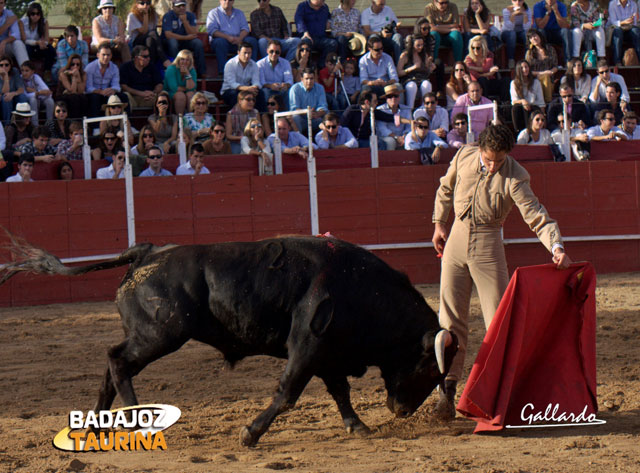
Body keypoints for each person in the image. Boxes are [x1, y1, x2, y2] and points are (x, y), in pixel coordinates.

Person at [431, 124, 572, 419]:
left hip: (488, 245)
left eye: (499, 160)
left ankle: (496, 393)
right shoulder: (464, 156)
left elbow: (536, 215)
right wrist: (439, 223)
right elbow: (445, 187)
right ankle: (446, 389)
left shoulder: (515, 175)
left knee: (498, 322)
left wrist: (555, 246)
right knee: (449, 320)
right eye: (489, 159)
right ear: (480, 148)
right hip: (456, 240)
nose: (493, 165)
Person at [206, 0, 258, 75]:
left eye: (230, 0)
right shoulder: (213, 13)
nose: (227, 1)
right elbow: (212, 31)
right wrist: (228, 37)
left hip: (238, 40)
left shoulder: (239, 13)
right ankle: (223, 72)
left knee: (251, 41)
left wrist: (240, 38)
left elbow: (245, 28)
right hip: (223, 40)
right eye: (225, 0)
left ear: (233, 1)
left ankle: (252, 71)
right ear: (220, 0)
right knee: (220, 42)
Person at [85, 44, 129, 119]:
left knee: (124, 97)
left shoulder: (114, 68)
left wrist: (112, 90)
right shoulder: (90, 67)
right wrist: (100, 92)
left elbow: (117, 86)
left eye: (108, 55)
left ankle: (127, 123)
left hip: (108, 93)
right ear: (98, 55)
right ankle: (95, 127)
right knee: (95, 98)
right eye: (103, 55)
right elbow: (88, 88)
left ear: (111, 56)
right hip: (95, 93)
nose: (106, 57)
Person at [163, 0, 206, 77]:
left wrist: (185, 21)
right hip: (172, 42)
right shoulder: (168, 16)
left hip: (186, 41)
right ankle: (176, 69)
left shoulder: (190, 15)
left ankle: (201, 72)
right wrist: (185, 37)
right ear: (173, 7)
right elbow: (168, 35)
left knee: (198, 43)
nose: (181, 8)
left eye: (183, 6)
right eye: (178, 6)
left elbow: (193, 33)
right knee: (173, 43)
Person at [294, 0, 338, 69]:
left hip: (321, 37)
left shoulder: (325, 7)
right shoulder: (302, 6)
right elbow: (298, 20)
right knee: (305, 44)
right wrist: (304, 31)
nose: (323, 2)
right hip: (308, 37)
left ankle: (321, 66)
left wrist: (329, 21)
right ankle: (307, 67)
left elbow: (330, 16)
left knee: (333, 43)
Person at [464, 35, 508, 101]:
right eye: (473, 48)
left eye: (478, 48)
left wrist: (472, 67)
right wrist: (489, 73)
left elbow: (486, 67)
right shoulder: (468, 59)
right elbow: (476, 76)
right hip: (477, 84)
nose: (475, 50)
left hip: (490, 81)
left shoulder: (489, 54)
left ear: (483, 48)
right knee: (482, 79)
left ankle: (505, 105)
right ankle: (485, 103)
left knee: (506, 80)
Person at [127, 0, 169, 68]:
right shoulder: (132, 16)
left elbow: (154, 30)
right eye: (142, 3)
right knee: (152, 34)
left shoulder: (153, 14)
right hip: (136, 41)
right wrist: (145, 15)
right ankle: (164, 59)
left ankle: (151, 65)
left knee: (150, 39)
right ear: (137, 4)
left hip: (150, 39)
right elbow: (144, 31)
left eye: (148, 3)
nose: (145, 5)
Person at [397, 34, 435, 108]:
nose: (420, 47)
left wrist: (430, 68)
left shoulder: (424, 55)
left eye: (422, 45)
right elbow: (398, 73)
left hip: (421, 78)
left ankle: (424, 108)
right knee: (412, 86)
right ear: (412, 45)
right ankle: (410, 108)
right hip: (408, 79)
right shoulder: (405, 55)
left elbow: (426, 71)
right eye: (418, 45)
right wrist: (412, 68)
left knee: (427, 84)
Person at [120, 45, 163, 110]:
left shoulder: (152, 67)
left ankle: (161, 119)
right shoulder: (126, 67)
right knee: (125, 95)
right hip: (132, 98)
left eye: (149, 56)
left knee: (163, 96)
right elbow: (123, 86)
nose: (148, 58)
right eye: (145, 56)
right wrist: (141, 93)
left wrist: (153, 93)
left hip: (149, 98)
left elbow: (159, 84)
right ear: (136, 58)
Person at [19, 2, 55, 76]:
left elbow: (47, 39)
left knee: (50, 49)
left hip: (39, 46)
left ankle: (47, 71)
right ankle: (28, 71)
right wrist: (37, 42)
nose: (35, 16)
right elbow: (24, 39)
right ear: (29, 14)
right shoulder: (22, 22)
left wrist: (43, 44)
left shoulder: (44, 22)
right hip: (27, 45)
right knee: (27, 49)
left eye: (38, 14)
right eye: (33, 14)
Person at [257, 39, 293, 112]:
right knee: (265, 92)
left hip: (280, 89)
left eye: (277, 52)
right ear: (267, 51)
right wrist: (271, 86)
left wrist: (286, 85)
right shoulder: (260, 64)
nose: (274, 54)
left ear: (280, 53)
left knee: (289, 91)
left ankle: (286, 115)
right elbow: (261, 83)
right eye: (271, 51)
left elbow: (289, 80)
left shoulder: (286, 63)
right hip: (268, 89)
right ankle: (267, 115)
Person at [289, 68, 328, 134]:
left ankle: (326, 141)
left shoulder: (320, 88)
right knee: (295, 117)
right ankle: (299, 139)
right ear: (302, 79)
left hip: (315, 118)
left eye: (311, 78)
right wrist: (307, 112)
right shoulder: (295, 88)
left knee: (327, 116)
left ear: (314, 78)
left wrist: (318, 113)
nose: (309, 81)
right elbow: (294, 109)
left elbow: (323, 106)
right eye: (307, 79)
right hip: (301, 119)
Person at [220, 41, 260, 107]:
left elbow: (256, 81)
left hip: (247, 90)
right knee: (235, 95)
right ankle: (235, 116)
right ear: (238, 52)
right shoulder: (230, 64)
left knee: (259, 93)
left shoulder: (254, 65)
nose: (247, 56)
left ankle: (261, 116)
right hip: (229, 91)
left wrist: (254, 87)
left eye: (249, 53)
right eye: (245, 53)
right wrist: (247, 88)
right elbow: (232, 84)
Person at [525, 29, 558, 103]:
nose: (533, 39)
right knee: (542, 78)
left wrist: (551, 72)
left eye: (534, 36)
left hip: (549, 78)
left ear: (539, 36)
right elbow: (528, 70)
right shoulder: (529, 53)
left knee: (546, 78)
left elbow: (555, 66)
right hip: (535, 78)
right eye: (531, 38)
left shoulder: (550, 49)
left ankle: (547, 102)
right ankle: (547, 102)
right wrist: (542, 73)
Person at [510, 59, 545, 131]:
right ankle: (518, 131)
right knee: (516, 108)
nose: (525, 69)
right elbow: (514, 100)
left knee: (528, 109)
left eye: (526, 67)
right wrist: (523, 101)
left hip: (534, 107)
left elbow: (541, 101)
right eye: (522, 68)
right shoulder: (514, 83)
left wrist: (543, 114)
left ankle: (530, 131)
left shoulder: (536, 82)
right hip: (521, 107)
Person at [375, 83, 411, 150]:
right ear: (386, 98)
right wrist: (396, 137)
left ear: (399, 97)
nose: (393, 98)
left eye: (395, 96)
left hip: (402, 136)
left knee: (410, 139)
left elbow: (409, 126)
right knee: (391, 142)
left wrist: (404, 136)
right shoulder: (380, 109)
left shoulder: (406, 109)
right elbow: (382, 129)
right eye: (390, 96)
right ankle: (389, 160)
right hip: (386, 136)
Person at [163, 49, 197, 115]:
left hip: (185, 93)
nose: (185, 62)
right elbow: (174, 88)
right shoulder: (171, 69)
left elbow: (193, 88)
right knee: (180, 95)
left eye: (187, 60)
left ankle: (190, 119)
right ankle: (180, 120)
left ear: (190, 61)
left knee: (190, 94)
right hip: (170, 93)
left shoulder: (192, 70)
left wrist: (187, 74)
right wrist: (187, 89)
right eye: (182, 59)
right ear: (178, 60)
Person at [20, 60, 53, 126]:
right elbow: (25, 95)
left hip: (39, 99)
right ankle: (35, 126)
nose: (24, 73)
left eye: (27, 71)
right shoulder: (20, 78)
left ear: (32, 71)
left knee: (50, 101)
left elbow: (48, 92)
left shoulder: (36, 77)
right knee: (33, 100)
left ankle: (50, 124)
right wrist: (38, 93)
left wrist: (36, 92)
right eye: (22, 70)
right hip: (27, 101)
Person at [56, 54, 88, 119]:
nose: (75, 66)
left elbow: (81, 91)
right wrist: (74, 76)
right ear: (69, 65)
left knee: (83, 98)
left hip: (76, 95)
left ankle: (83, 121)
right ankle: (74, 121)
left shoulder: (83, 74)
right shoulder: (63, 73)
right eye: (72, 64)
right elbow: (72, 90)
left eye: (77, 64)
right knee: (74, 98)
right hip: (63, 95)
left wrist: (78, 76)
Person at [501, 0, 533, 69]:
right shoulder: (506, 11)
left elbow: (527, 28)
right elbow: (509, 28)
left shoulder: (527, 10)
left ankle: (528, 59)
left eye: (520, 0)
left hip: (521, 32)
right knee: (512, 34)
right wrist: (513, 15)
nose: (518, 2)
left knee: (526, 34)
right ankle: (511, 59)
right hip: (507, 33)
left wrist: (524, 15)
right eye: (515, 0)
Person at [608, 0, 640, 66]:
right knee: (618, 31)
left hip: (629, 28)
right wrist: (624, 22)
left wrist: (633, 19)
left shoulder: (633, 4)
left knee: (636, 31)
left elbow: (635, 22)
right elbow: (613, 21)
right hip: (617, 28)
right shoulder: (613, 4)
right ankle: (617, 61)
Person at [0, 0, 28, 67]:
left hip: (3, 47)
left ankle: (27, 72)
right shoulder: (10, 19)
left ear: (4, 4)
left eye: (1, 3)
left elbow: (16, 34)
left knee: (18, 43)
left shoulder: (9, 14)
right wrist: (6, 24)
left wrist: (4, 41)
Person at [0, 56, 27, 122]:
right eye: (1, 65)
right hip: (3, 98)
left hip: (14, 95)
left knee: (22, 97)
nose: (4, 67)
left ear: (10, 66)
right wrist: (5, 76)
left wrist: (13, 94)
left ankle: (23, 121)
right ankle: (7, 124)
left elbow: (21, 89)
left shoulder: (14, 71)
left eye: (6, 65)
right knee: (6, 98)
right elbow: (4, 92)